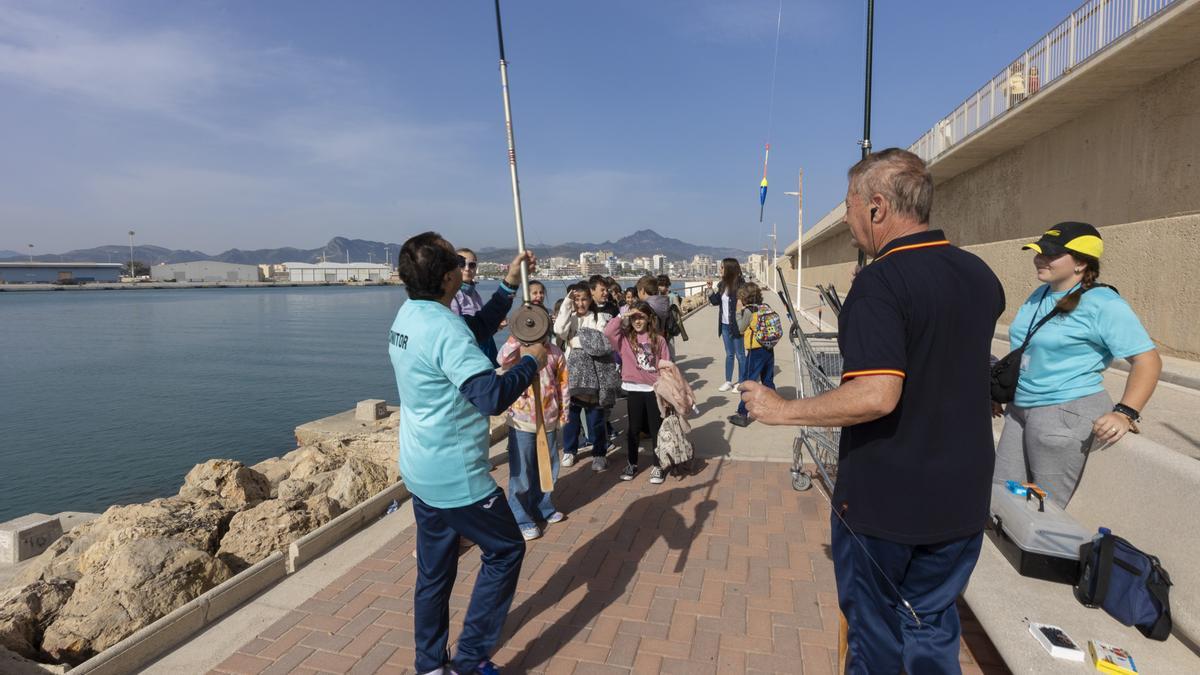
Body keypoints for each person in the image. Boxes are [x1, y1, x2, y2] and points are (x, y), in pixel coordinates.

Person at [740, 149, 1004, 673]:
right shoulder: (979, 274)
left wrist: (781, 409)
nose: (846, 216)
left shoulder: (881, 283)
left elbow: (877, 394)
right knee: (931, 628)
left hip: (889, 505)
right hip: (963, 497)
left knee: (876, 642)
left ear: (877, 207)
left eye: (849, 204)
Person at [389, 232, 548, 675]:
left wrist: (510, 286)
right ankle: (469, 659)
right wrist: (532, 361)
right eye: (458, 264)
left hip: (420, 468)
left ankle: (429, 665)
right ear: (447, 277)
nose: (464, 268)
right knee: (505, 549)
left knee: (434, 575)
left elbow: (472, 332)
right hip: (457, 476)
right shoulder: (443, 326)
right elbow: (490, 396)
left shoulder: (411, 315)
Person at [993, 222, 1160, 509]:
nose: (1040, 259)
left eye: (1051, 254)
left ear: (1081, 263)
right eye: (1038, 252)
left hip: (1063, 412)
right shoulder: (1041, 294)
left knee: (1044, 510)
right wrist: (999, 392)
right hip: (1020, 409)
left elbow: (1147, 360)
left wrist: (1125, 413)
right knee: (1002, 498)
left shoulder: (1103, 303)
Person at [497, 306, 568, 541]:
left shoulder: (555, 353)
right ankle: (521, 516)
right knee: (522, 471)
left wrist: (563, 414)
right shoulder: (516, 351)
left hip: (547, 419)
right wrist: (518, 335)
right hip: (521, 421)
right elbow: (501, 359)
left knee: (548, 469)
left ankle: (543, 506)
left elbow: (563, 385)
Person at [604, 301, 672, 484]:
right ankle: (632, 463)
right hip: (633, 389)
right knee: (633, 429)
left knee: (656, 428)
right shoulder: (624, 340)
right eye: (634, 317)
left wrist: (667, 392)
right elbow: (608, 332)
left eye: (641, 316)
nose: (637, 320)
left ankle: (658, 465)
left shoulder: (659, 340)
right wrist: (622, 315)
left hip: (654, 390)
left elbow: (666, 366)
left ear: (649, 318)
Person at [554, 283, 613, 469]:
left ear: (590, 300)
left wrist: (577, 340)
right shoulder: (569, 318)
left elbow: (601, 341)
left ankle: (599, 452)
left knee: (595, 415)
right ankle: (570, 451)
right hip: (571, 372)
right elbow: (559, 331)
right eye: (576, 299)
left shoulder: (598, 318)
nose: (580, 303)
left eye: (584, 299)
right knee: (570, 415)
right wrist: (566, 305)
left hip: (595, 372)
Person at [728, 282, 774, 428]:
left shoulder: (749, 311)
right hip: (768, 348)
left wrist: (737, 312)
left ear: (745, 297)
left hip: (755, 351)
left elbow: (741, 329)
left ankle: (742, 414)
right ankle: (772, 408)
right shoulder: (765, 307)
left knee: (748, 382)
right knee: (768, 379)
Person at [450, 247, 500, 367]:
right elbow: (456, 332)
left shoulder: (475, 294)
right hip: (471, 354)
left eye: (471, 265)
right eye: (461, 264)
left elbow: (481, 325)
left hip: (486, 348)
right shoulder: (452, 294)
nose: (467, 269)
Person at [708, 259, 746, 392]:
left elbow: (745, 304)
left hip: (736, 325)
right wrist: (710, 290)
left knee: (740, 355)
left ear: (729, 269)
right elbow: (715, 302)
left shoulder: (741, 285)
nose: (720, 270)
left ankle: (741, 382)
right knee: (729, 354)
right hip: (724, 325)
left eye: (722, 267)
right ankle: (728, 381)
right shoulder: (722, 285)